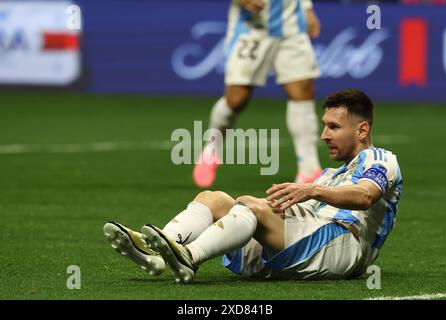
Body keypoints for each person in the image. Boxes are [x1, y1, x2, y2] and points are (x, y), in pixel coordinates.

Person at [104, 89, 402, 283]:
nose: (324, 135)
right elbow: (298, 212)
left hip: (344, 246)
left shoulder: (380, 159)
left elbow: (364, 196)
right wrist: (282, 201)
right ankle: (158, 251)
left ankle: (189, 257)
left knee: (249, 205)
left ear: (362, 129)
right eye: (324, 125)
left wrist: (310, 190)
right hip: (311, 239)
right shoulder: (330, 174)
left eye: (334, 127)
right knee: (214, 199)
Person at [192, 0, 323, 187]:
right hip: (251, 27)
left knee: (302, 91)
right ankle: (212, 148)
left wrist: (307, 8)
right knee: (237, 99)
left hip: (291, 26)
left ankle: (309, 168)